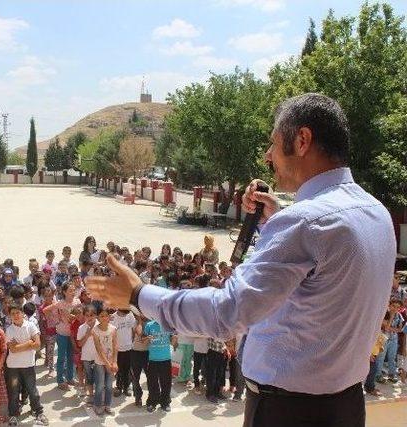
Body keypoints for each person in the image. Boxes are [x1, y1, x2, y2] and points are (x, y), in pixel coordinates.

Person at [86, 93, 397, 427]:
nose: (267, 156)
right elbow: (322, 281)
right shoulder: (375, 212)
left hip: (289, 413)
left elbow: (227, 312)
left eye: (274, 143)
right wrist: (274, 221)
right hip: (346, 406)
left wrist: (137, 294)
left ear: (302, 140)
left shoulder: (305, 223)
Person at [5, 303, 48, 426]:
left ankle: (38, 411)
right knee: (13, 391)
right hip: (13, 366)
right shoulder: (9, 330)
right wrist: (29, 343)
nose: (16, 315)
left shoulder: (31, 326)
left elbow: (38, 344)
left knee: (32, 390)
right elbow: (13, 349)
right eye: (13, 314)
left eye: (18, 312)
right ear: (10, 316)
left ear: (23, 314)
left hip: (28, 365)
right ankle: (13, 415)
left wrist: (21, 345)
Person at [91, 307, 118, 416]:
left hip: (111, 363)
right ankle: (97, 405)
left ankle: (107, 404)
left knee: (109, 385)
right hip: (100, 363)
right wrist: (108, 364)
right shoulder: (95, 331)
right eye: (101, 316)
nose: (104, 318)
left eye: (106, 315)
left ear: (109, 317)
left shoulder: (113, 329)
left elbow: (115, 345)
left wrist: (114, 362)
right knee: (100, 385)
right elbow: (99, 350)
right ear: (98, 317)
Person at [144, 318, 173, 412]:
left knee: (166, 383)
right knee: (152, 382)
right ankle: (152, 402)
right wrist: (147, 339)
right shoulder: (149, 325)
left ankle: (165, 402)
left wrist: (175, 338)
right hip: (153, 359)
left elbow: (173, 343)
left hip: (166, 359)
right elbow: (144, 342)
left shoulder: (168, 324)